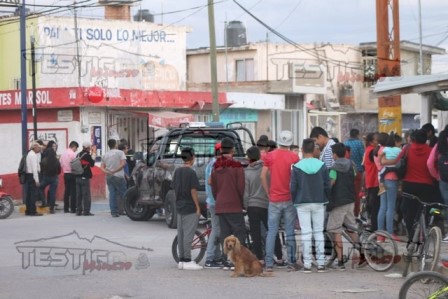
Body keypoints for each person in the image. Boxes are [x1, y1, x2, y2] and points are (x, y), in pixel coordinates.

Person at [261, 130, 300, 272]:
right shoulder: (294, 157)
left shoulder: (270, 156)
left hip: (274, 199)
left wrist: (268, 192)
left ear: (278, 141)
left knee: (272, 231)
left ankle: (269, 264)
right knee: (290, 231)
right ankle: (291, 262)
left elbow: (262, 176)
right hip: (289, 199)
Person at [291, 138, 330, 273]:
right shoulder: (322, 165)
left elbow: (293, 187)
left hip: (302, 202)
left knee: (306, 233)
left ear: (302, 150)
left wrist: (294, 199)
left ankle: (307, 264)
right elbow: (327, 185)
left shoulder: (296, 167)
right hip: (319, 201)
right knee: (319, 232)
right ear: (314, 150)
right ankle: (321, 263)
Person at [326, 143, 365, 270]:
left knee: (335, 230)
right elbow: (353, 177)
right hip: (350, 201)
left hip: (338, 203)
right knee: (351, 228)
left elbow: (331, 184)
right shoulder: (351, 165)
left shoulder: (334, 168)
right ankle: (363, 254)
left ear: (335, 155)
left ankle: (340, 261)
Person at [211, 137, 245, 270]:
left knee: (225, 234)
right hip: (234, 204)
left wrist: (218, 198)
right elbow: (241, 187)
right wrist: (242, 202)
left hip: (220, 204)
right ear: (232, 150)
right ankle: (236, 260)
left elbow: (214, 188)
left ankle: (226, 261)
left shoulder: (215, 167)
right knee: (239, 232)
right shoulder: (236, 166)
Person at [400, 129, 437, 241]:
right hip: (426, 185)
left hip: (409, 184)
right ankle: (423, 233)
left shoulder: (407, 149)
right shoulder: (431, 150)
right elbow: (434, 165)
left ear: (413, 139)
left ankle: (412, 235)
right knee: (424, 209)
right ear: (426, 139)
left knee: (408, 210)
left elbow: (398, 161)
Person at [172, 147, 203, 270]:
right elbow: (193, 191)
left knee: (181, 234)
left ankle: (181, 260)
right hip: (189, 206)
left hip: (179, 206)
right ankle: (187, 260)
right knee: (188, 235)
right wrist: (197, 207)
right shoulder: (191, 172)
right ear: (192, 158)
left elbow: (174, 189)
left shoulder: (177, 171)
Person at [244, 146, 271, 264]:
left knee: (255, 233)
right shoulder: (266, 169)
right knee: (271, 230)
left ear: (249, 158)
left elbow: (245, 193)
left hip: (252, 205)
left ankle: (259, 258)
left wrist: (245, 206)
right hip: (265, 203)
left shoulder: (247, 172)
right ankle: (278, 256)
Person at [377, 133, 402, 241]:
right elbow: (400, 161)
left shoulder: (381, 150)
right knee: (391, 207)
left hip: (382, 180)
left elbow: (381, 162)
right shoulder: (397, 150)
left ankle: (379, 234)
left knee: (383, 206)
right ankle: (390, 233)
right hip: (392, 180)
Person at [204, 143, 224, 269]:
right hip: (214, 202)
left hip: (212, 201)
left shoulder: (212, 163)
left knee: (217, 230)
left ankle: (216, 257)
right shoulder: (214, 165)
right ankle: (209, 258)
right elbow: (212, 183)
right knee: (216, 230)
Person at [427, 125, 448, 241]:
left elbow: (430, 163)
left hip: (443, 180)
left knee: (445, 205)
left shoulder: (439, 145)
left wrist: (436, 176)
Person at [101, 139, 127, 217]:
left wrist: (108, 172)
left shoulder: (105, 155)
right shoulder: (120, 153)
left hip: (109, 176)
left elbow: (102, 167)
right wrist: (115, 171)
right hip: (118, 176)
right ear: (115, 144)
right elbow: (123, 164)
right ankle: (127, 209)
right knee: (124, 194)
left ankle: (114, 212)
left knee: (112, 194)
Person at [344, 129, 365, 217]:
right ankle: (355, 214)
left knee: (347, 193)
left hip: (346, 171)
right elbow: (363, 157)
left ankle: (347, 214)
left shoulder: (345, 143)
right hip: (358, 171)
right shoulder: (359, 143)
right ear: (357, 135)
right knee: (356, 194)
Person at [362, 133, 380, 230]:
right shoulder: (371, 151)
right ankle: (375, 227)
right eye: (377, 139)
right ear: (371, 141)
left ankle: (374, 226)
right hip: (374, 182)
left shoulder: (368, 150)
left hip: (371, 181)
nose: (378, 141)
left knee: (374, 205)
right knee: (376, 206)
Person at [75, 141, 95, 216]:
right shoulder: (87, 155)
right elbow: (92, 164)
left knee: (78, 195)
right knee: (86, 195)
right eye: (89, 147)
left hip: (77, 177)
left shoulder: (77, 154)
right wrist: (93, 155)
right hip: (85, 177)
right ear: (87, 148)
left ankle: (78, 211)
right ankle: (86, 211)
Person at [39, 147, 61, 214]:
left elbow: (41, 170)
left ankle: (44, 202)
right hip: (54, 178)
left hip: (46, 177)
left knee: (40, 188)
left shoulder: (44, 160)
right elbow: (59, 171)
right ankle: (52, 208)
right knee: (52, 193)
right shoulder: (56, 160)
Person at [24, 141, 43, 216]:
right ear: (34, 147)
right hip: (32, 176)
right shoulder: (33, 155)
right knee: (33, 195)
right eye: (38, 148)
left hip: (29, 175)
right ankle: (32, 211)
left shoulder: (30, 154)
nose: (39, 149)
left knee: (29, 194)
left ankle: (28, 210)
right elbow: (34, 169)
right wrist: (37, 180)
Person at [60, 141, 79, 213]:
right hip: (72, 174)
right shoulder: (73, 154)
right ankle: (73, 208)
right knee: (73, 191)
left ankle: (66, 208)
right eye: (76, 148)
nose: (76, 150)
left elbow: (61, 164)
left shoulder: (63, 153)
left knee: (67, 191)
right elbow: (75, 165)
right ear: (74, 147)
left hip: (65, 174)